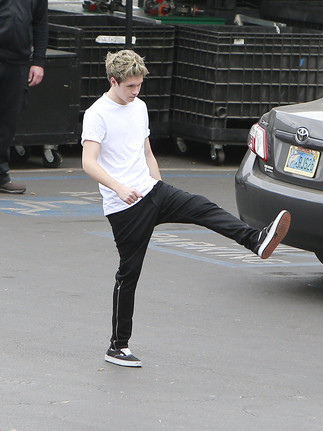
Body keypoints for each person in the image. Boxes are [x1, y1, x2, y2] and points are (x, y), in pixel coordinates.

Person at [81, 50, 291, 368]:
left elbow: (146, 150)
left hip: (154, 192)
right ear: (114, 81)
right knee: (129, 273)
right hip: (124, 207)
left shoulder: (139, 107)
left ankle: (255, 240)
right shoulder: (97, 114)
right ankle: (117, 346)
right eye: (130, 86)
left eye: (139, 85)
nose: (136, 91)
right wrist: (119, 187)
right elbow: (88, 162)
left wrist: (159, 184)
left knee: (202, 207)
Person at [0, 0, 48, 194]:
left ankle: (1, 176)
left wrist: (39, 61)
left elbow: (41, 23)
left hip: (18, 63)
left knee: (7, 122)